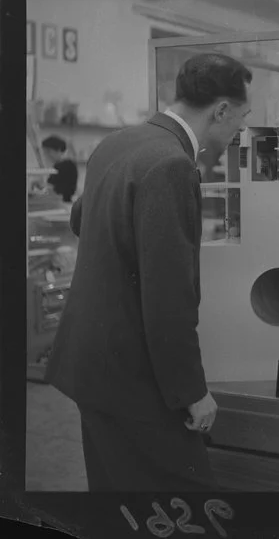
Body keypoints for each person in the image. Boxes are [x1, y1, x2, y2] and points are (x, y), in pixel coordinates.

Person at [45, 53, 252, 492]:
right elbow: (168, 296)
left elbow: (82, 219)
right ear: (220, 110)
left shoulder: (118, 143)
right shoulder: (172, 164)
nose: (240, 132)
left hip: (89, 366)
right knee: (182, 505)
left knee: (115, 500)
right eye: (241, 118)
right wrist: (191, 392)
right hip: (132, 379)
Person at [41, 135, 78, 203]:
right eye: (45, 152)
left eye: (48, 151)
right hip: (60, 201)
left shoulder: (66, 165)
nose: (46, 155)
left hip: (62, 202)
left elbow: (59, 188)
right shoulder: (60, 164)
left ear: (58, 150)